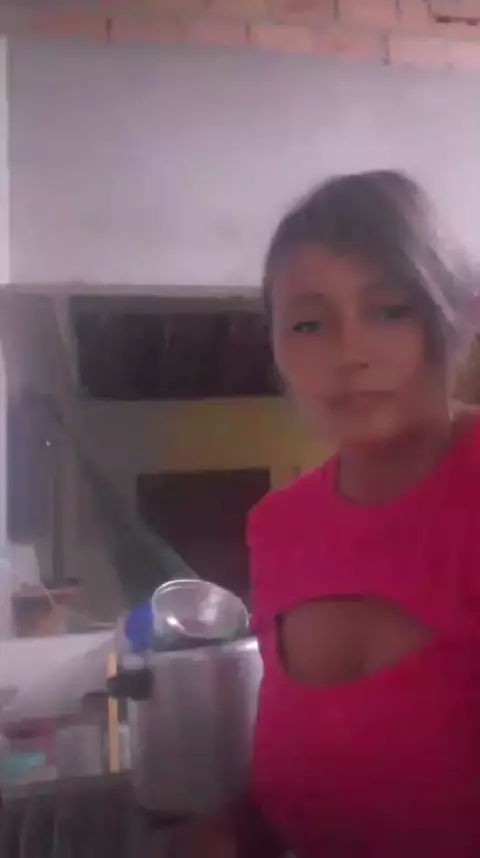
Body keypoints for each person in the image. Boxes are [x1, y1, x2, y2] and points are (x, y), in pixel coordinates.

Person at [168, 170, 480, 857]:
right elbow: (316, 766)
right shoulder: (277, 527)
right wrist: (239, 826)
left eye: (388, 310)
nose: (350, 353)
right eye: (309, 323)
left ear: (455, 315)